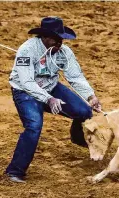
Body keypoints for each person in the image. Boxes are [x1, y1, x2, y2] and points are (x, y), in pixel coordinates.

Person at [6, 16, 102, 183]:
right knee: (34, 126)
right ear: (44, 37)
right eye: (55, 39)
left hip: (50, 87)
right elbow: (27, 82)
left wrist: (90, 96)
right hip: (25, 93)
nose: (59, 43)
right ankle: (15, 171)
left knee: (84, 111)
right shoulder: (26, 50)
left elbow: (75, 76)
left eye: (61, 40)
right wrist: (48, 99)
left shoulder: (63, 52)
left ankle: (78, 138)